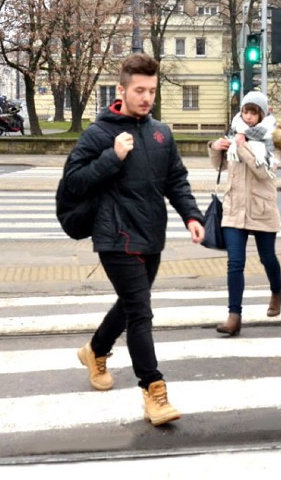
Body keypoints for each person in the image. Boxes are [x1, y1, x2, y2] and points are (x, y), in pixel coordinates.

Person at [66, 53, 205, 426]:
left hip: (151, 234)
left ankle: (95, 350)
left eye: (152, 91)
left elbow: (176, 179)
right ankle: (154, 391)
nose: (146, 98)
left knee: (130, 306)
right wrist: (112, 157)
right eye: (139, 90)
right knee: (141, 312)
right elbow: (73, 183)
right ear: (123, 89)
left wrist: (192, 215)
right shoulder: (99, 133)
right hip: (115, 236)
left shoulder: (161, 133)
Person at [208, 91, 281, 337]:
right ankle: (234, 316)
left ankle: (276, 291)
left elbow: (264, 173)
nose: (248, 116)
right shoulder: (235, 133)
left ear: (263, 113)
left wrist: (242, 146)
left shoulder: (275, 140)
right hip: (234, 209)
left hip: (262, 209)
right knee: (235, 263)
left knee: (268, 258)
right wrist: (216, 147)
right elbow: (220, 165)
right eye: (245, 111)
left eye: (254, 112)